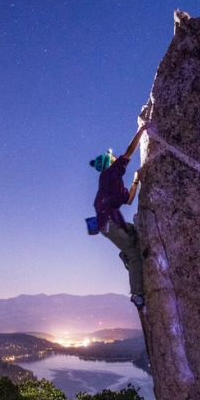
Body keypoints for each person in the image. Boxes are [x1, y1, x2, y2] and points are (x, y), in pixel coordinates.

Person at [90, 124, 147, 309]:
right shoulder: (109, 173)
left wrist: (136, 181)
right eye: (112, 158)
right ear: (109, 163)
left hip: (109, 221)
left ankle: (124, 254)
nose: (115, 158)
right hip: (108, 222)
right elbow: (129, 152)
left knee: (134, 232)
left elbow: (129, 200)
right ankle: (137, 294)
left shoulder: (114, 182)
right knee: (135, 253)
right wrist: (141, 130)